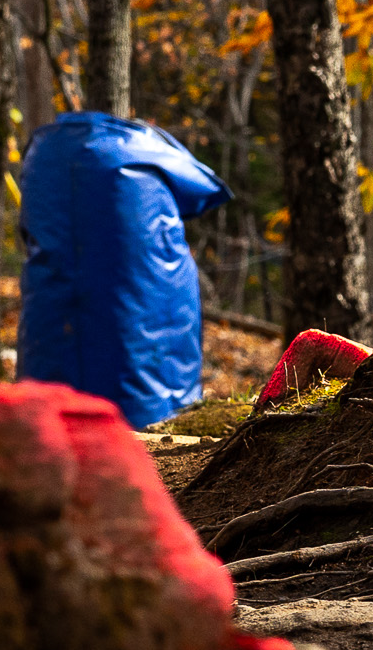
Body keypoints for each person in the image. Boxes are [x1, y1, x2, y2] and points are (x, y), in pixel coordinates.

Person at [15, 110, 229, 427]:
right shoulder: (143, 150)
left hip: (48, 390)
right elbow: (205, 188)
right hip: (149, 407)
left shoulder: (43, 155)